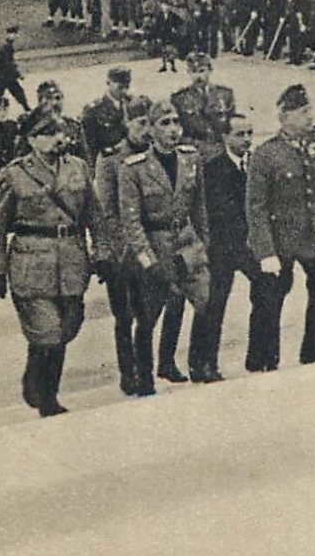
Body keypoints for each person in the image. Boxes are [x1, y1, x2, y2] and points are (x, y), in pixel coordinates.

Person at [0, 111, 98, 417]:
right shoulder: (15, 174)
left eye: (58, 131)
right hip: (32, 262)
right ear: (32, 140)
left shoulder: (78, 168)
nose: (56, 138)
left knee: (66, 328)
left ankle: (36, 370)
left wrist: (101, 252)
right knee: (48, 330)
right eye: (47, 133)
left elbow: (93, 213)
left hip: (72, 260)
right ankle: (47, 397)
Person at [118, 101, 212, 390]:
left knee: (205, 301)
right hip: (156, 244)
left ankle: (199, 364)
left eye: (175, 122)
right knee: (148, 315)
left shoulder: (191, 158)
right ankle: (143, 376)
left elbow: (199, 206)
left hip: (186, 242)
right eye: (164, 124)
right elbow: (131, 222)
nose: (173, 130)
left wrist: (203, 242)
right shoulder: (133, 168)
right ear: (152, 131)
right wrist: (147, 260)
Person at [247, 84, 315, 369]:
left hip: (311, 236)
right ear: (285, 116)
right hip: (280, 238)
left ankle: (313, 352)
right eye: (303, 111)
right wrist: (265, 252)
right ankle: (264, 360)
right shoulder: (266, 154)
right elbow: (256, 207)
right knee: (271, 298)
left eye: (310, 110)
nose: (310, 117)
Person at [188, 114, 260, 382]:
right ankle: (202, 364)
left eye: (250, 133)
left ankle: (259, 356)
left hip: (249, 245)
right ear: (225, 138)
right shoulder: (213, 168)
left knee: (268, 287)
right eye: (240, 134)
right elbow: (219, 210)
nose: (247, 140)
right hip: (221, 247)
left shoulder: (254, 164)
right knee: (213, 304)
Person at [92, 96, 156, 395]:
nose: (146, 129)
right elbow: (105, 211)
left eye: (149, 123)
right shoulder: (109, 160)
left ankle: (147, 374)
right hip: (122, 251)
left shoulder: (157, 156)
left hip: (151, 246)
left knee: (148, 315)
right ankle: (128, 372)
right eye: (141, 123)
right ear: (127, 124)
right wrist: (111, 251)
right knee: (125, 316)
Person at [170, 52, 236, 158]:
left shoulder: (225, 94)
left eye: (202, 71)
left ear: (210, 71)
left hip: (221, 152)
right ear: (188, 72)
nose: (198, 76)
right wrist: (199, 146)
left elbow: (232, 125)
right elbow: (176, 132)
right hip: (194, 153)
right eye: (194, 72)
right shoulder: (179, 98)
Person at [81, 67, 132, 161]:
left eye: (127, 87)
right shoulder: (93, 110)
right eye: (120, 87)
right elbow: (91, 147)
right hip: (109, 161)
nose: (124, 91)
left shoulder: (132, 103)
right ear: (108, 83)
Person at [0, 26, 31, 116]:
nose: (14, 36)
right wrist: (18, 74)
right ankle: (26, 107)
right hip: (6, 76)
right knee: (16, 91)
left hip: (3, 75)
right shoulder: (7, 48)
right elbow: (8, 63)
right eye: (12, 34)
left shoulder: (8, 47)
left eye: (14, 34)